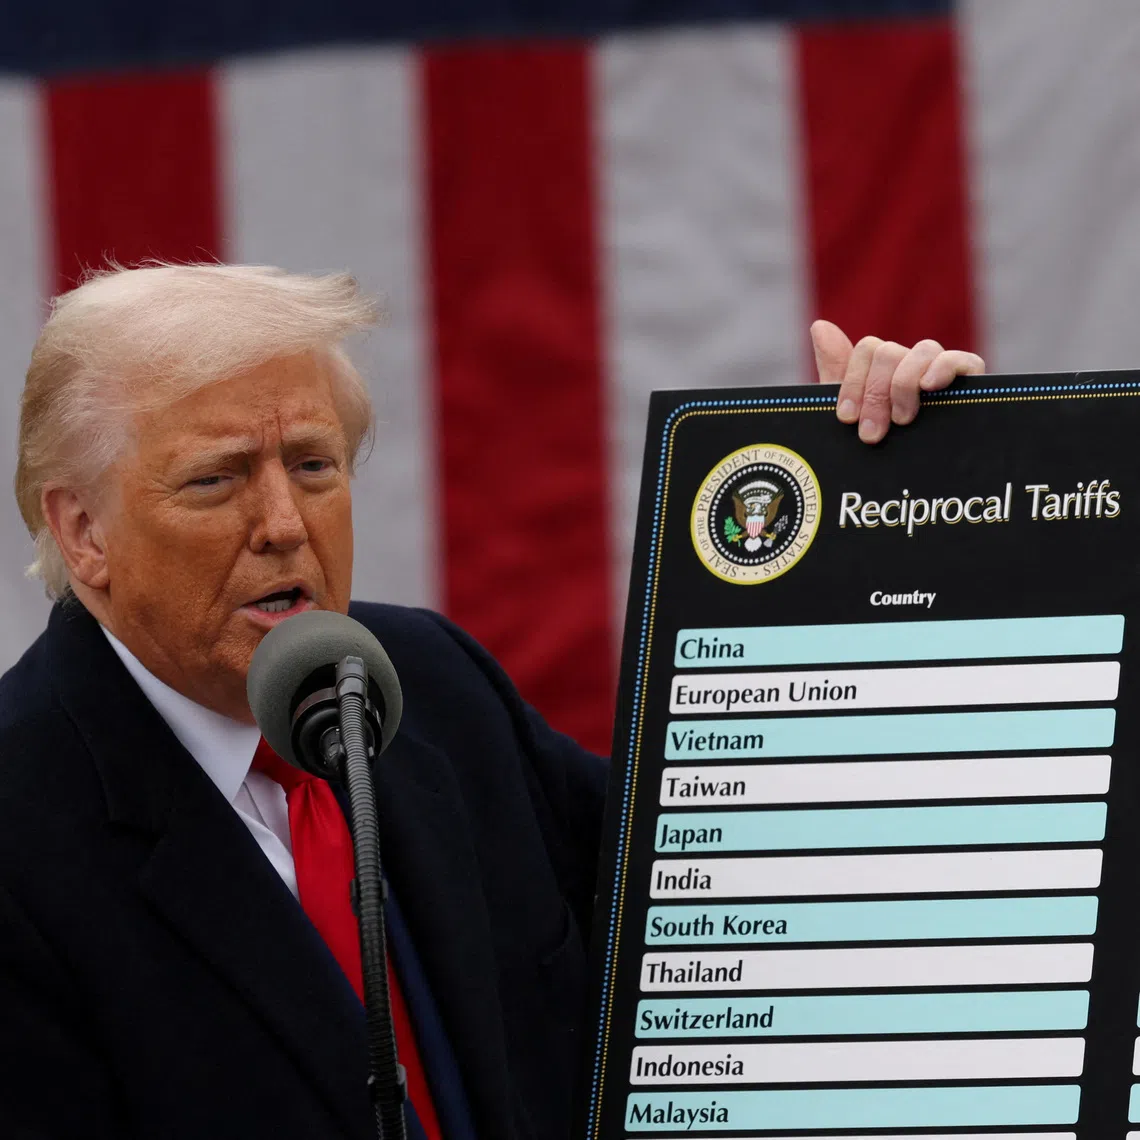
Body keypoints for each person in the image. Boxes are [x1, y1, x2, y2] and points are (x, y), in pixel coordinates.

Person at [0, 262, 983, 1139]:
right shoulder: (24, 831)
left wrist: (879, 525)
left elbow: (739, 890)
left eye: (314, 464)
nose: (285, 526)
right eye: (215, 481)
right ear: (83, 531)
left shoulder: (429, 682)